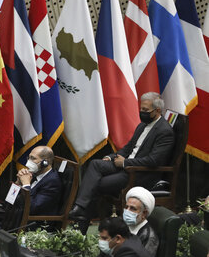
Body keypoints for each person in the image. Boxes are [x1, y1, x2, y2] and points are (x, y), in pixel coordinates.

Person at [69, 92, 174, 222]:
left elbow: (154, 160)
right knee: (95, 164)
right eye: (141, 109)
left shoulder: (165, 131)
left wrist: (125, 163)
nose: (142, 112)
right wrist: (111, 157)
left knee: (97, 183)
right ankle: (80, 207)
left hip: (140, 173)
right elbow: (128, 148)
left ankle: (81, 218)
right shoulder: (142, 125)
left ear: (157, 110)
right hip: (125, 166)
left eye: (145, 110)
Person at [16, 146, 62, 215]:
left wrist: (26, 185)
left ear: (45, 162)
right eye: (29, 158)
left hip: (31, 223)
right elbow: (9, 200)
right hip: (13, 216)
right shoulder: (32, 174)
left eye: (33, 158)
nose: (28, 162)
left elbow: (31, 209)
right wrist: (18, 183)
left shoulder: (52, 182)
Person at [123, 186, 159, 257]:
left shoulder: (149, 237)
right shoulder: (123, 225)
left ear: (144, 213)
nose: (127, 211)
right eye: (126, 207)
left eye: (133, 208)